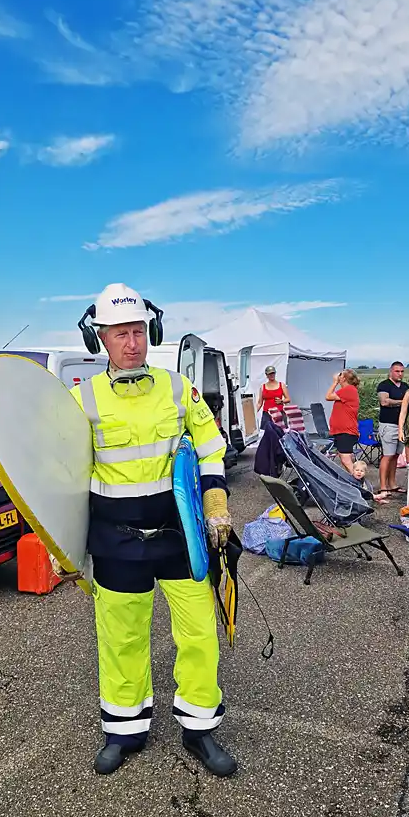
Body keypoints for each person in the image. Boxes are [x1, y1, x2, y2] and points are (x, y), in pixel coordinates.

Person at [70, 283, 237, 778]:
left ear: (152, 330)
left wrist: (215, 498)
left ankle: (200, 729)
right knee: (121, 638)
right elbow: (60, 474)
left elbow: (209, 443)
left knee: (200, 633)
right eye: (120, 333)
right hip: (116, 540)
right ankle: (124, 731)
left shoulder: (176, 387)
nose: (132, 343)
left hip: (179, 536)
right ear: (100, 338)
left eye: (139, 330)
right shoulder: (82, 399)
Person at [376, 361, 408, 497]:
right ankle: (383, 487)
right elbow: (384, 401)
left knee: (395, 456)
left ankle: (392, 484)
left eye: (401, 371)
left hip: (401, 426)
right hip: (388, 425)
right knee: (387, 456)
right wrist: (403, 402)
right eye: (397, 371)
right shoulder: (384, 385)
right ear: (391, 371)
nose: (400, 374)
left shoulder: (405, 386)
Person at [326, 369, 360, 473]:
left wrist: (335, 382)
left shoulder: (349, 389)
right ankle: (354, 481)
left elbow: (328, 396)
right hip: (342, 431)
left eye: (340, 375)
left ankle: (361, 483)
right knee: (343, 458)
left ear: (343, 378)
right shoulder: (347, 390)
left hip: (346, 431)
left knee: (346, 459)